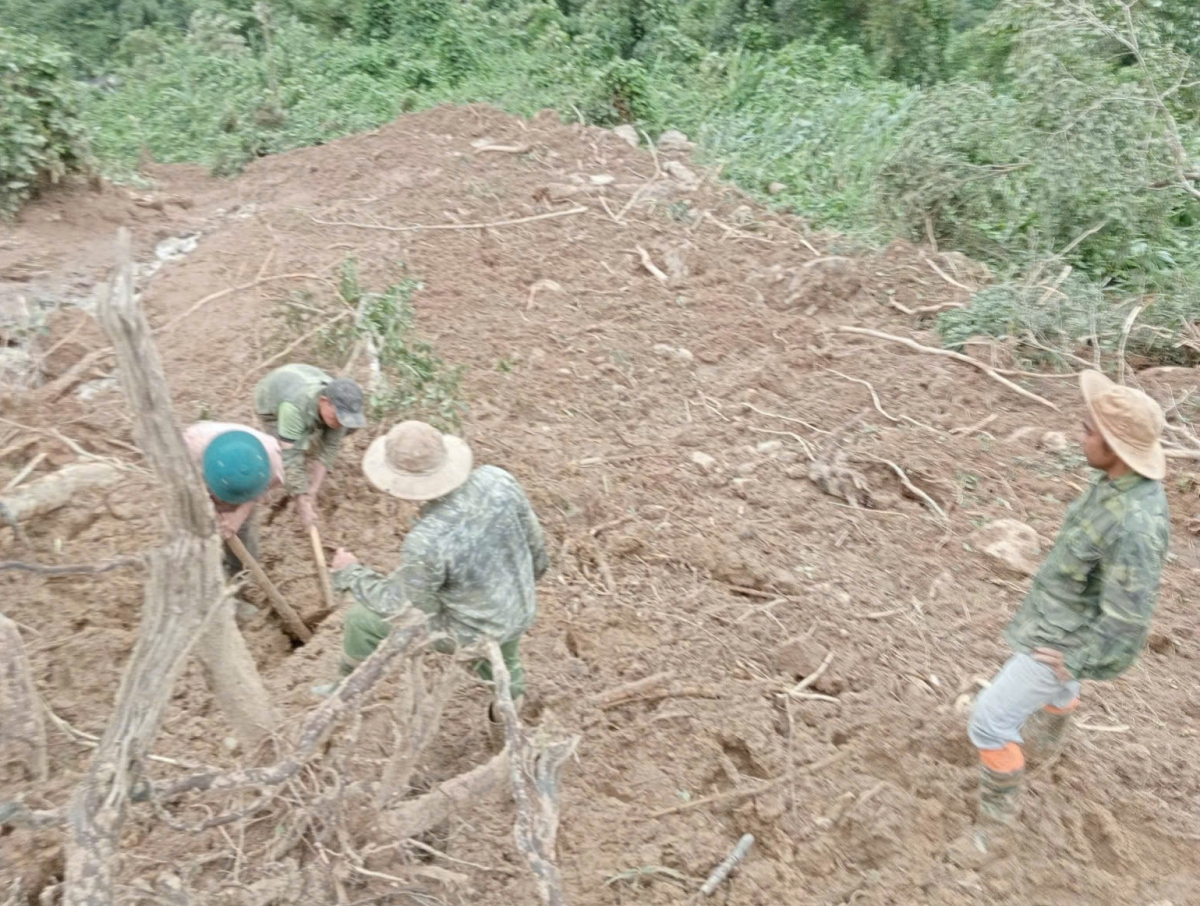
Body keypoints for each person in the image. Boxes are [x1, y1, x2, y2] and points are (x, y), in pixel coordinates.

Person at [961, 370, 1169, 858]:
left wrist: (1078, 660)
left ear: (1116, 447)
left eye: (1088, 430)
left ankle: (996, 829)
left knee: (988, 723)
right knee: (1055, 685)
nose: (1079, 436)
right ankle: (1048, 743)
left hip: (1062, 638)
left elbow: (1130, 616)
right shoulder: (1114, 484)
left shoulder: (1134, 524)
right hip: (1061, 619)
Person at [327, 421, 548, 722]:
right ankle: (508, 713)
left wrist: (351, 573)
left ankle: (341, 695)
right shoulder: (498, 480)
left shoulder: (425, 542)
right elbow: (537, 551)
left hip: (472, 629)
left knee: (360, 620)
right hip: (519, 605)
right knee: (505, 670)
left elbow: (413, 611)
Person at [252, 363, 366, 528]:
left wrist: (313, 489)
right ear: (324, 402)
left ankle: (307, 443)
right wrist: (302, 501)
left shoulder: (339, 409)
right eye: (338, 417)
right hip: (271, 399)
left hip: (304, 379)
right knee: (281, 451)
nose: (341, 423)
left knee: (338, 429)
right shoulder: (293, 408)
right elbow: (290, 456)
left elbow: (329, 448)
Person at [182, 422, 285, 577]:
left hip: (244, 489)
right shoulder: (188, 450)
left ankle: (237, 577)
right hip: (198, 482)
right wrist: (207, 505)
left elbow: (262, 489)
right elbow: (180, 488)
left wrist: (239, 515)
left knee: (243, 535)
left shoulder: (272, 460)